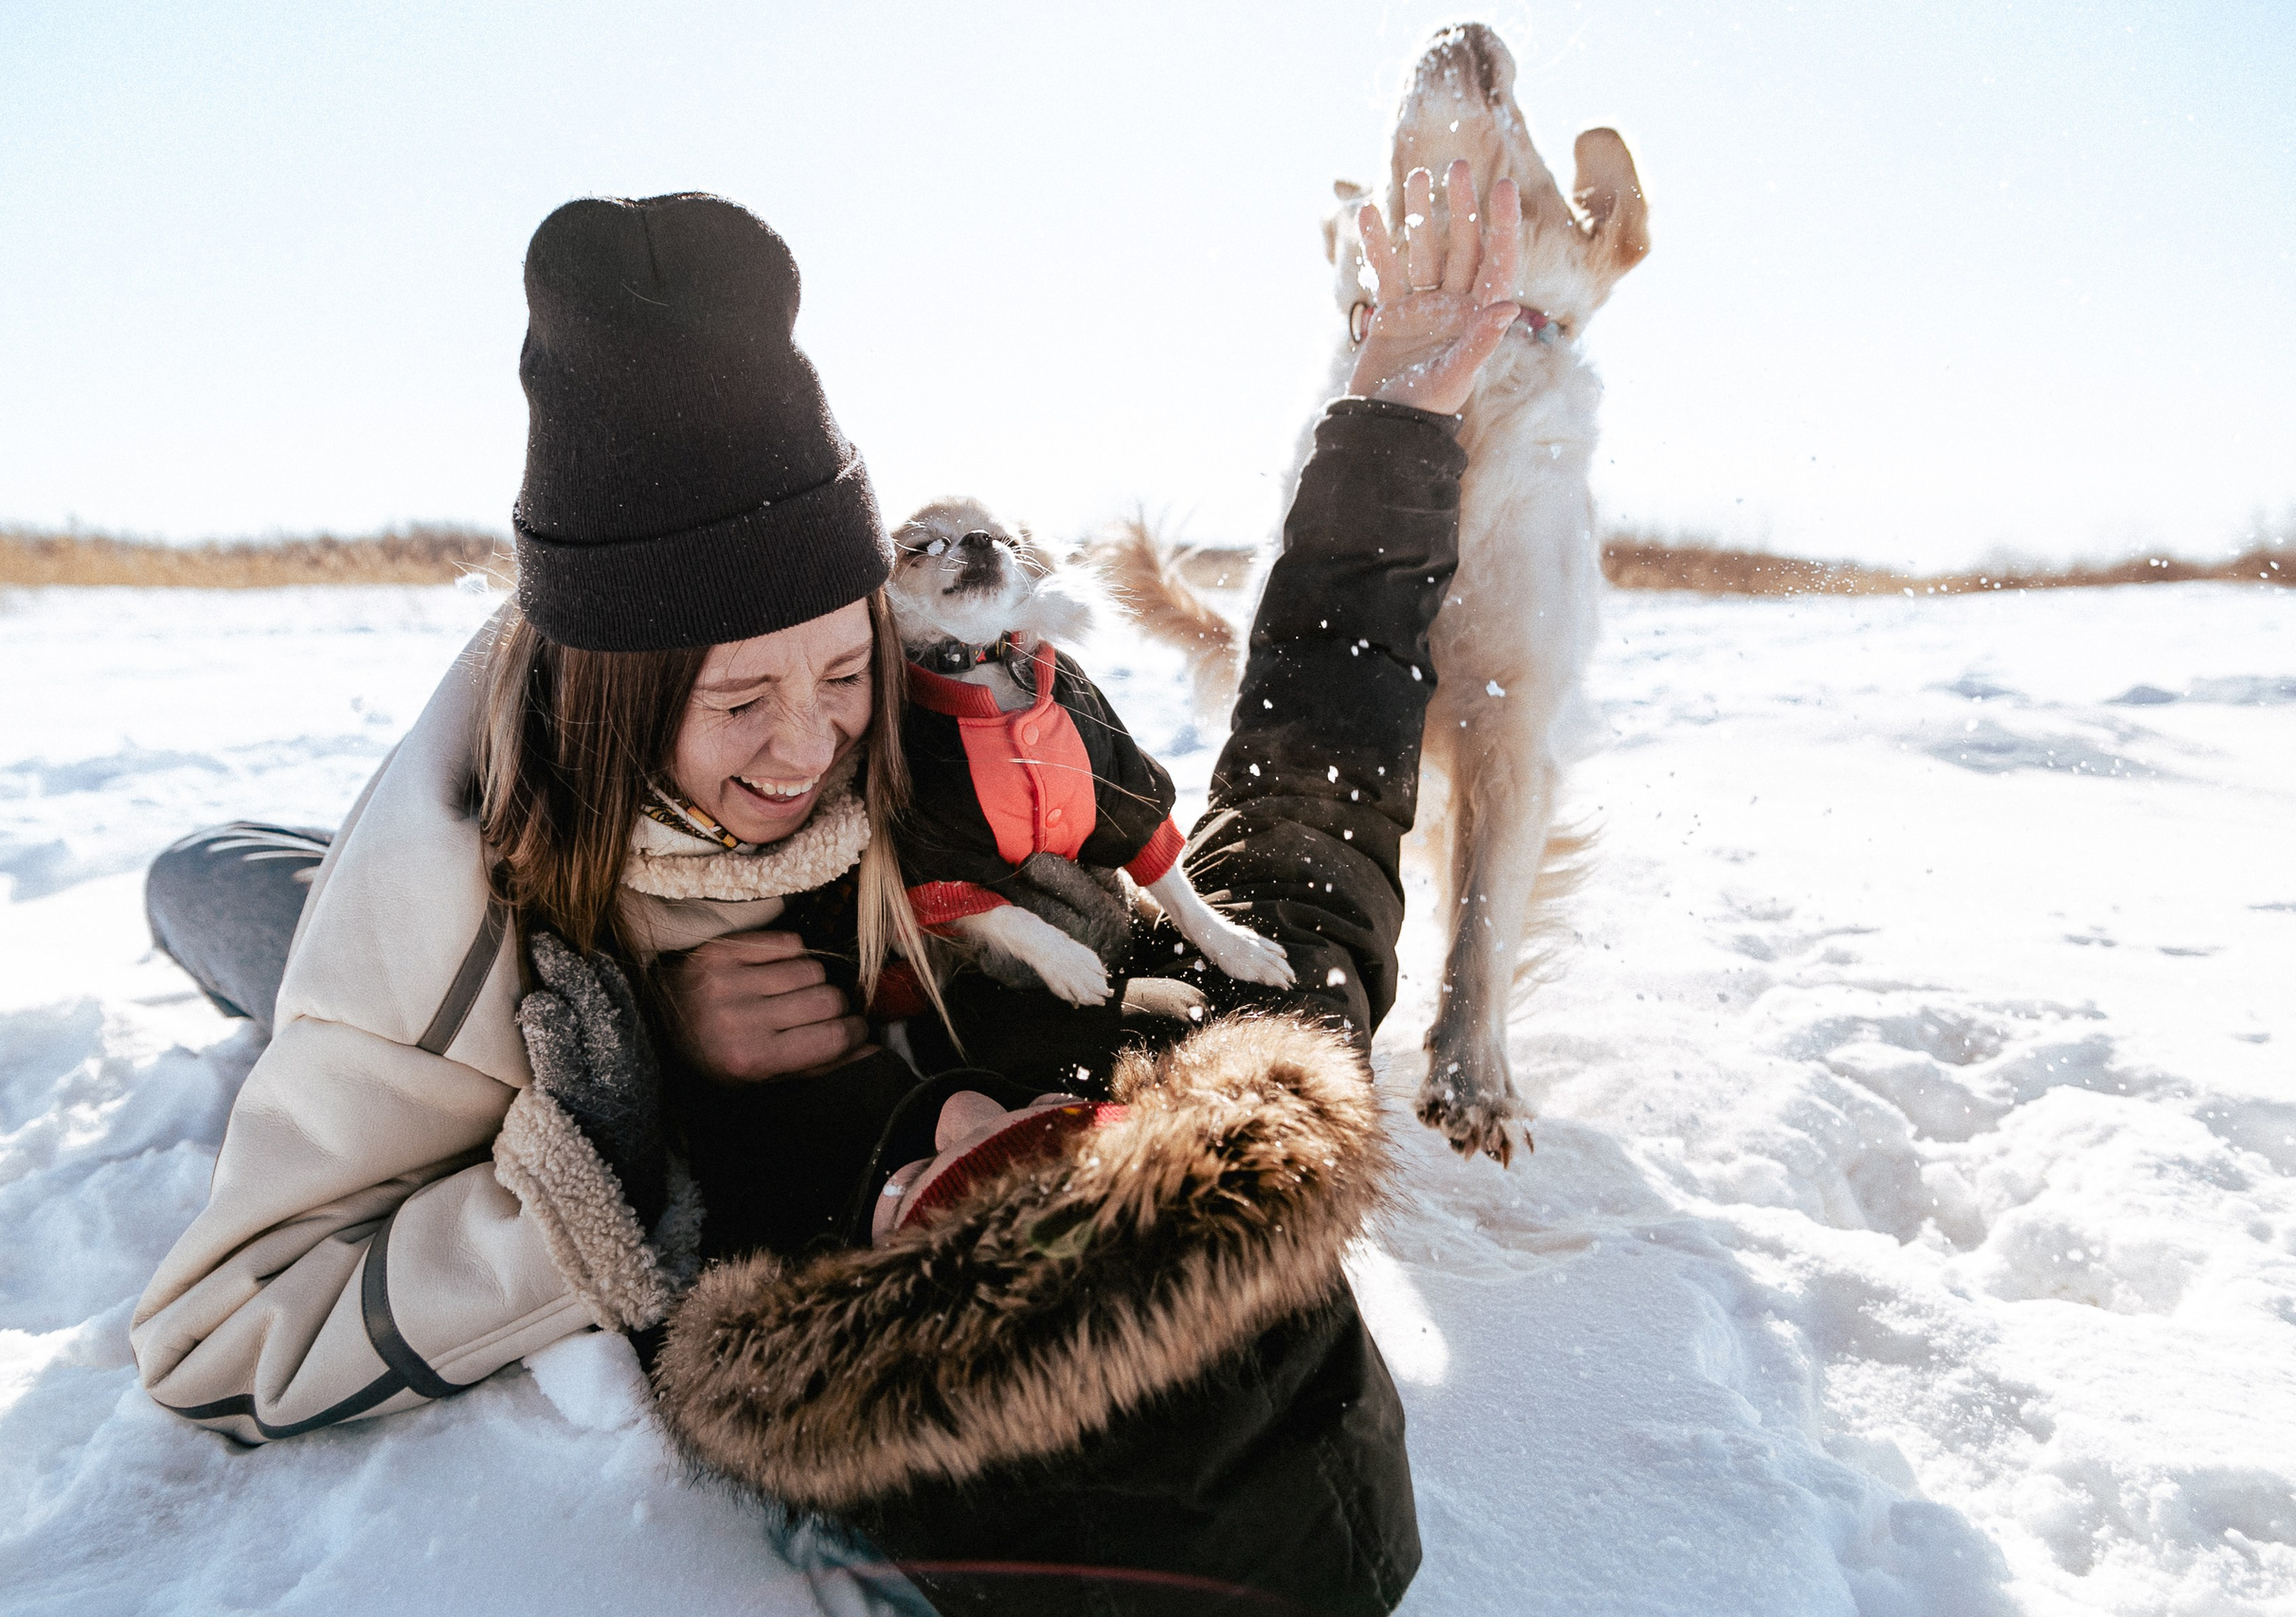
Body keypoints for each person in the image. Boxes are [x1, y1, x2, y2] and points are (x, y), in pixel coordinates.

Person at [135, 169, 1523, 1615]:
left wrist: (616, 1139)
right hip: (525, 847)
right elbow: (1316, 823)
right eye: (1068, 1139)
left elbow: (224, 1334)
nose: (808, 746)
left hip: (527, 947)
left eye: (953, 1195)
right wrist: (1394, 427)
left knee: (226, 902)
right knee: (239, 885)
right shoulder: (916, 777)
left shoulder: (463, 959)